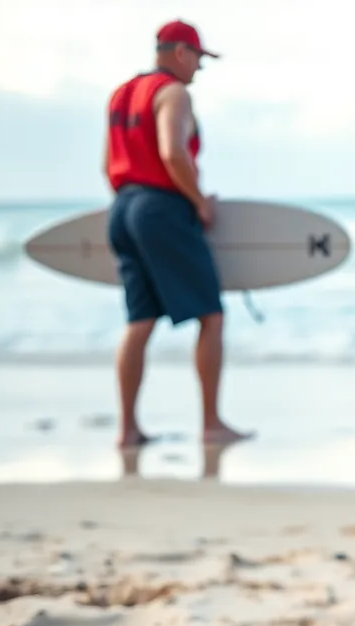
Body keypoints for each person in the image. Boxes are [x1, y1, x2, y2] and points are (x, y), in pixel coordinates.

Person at [104, 20, 251, 448]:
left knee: (139, 320)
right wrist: (199, 201)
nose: (200, 70)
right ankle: (211, 424)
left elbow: (106, 164)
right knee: (211, 314)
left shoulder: (121, 95)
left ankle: (127, 430)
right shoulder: (174, 93)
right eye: (200, 59)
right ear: (181, 52)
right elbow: (171, 151)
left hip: (123, 207)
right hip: (161, 208)